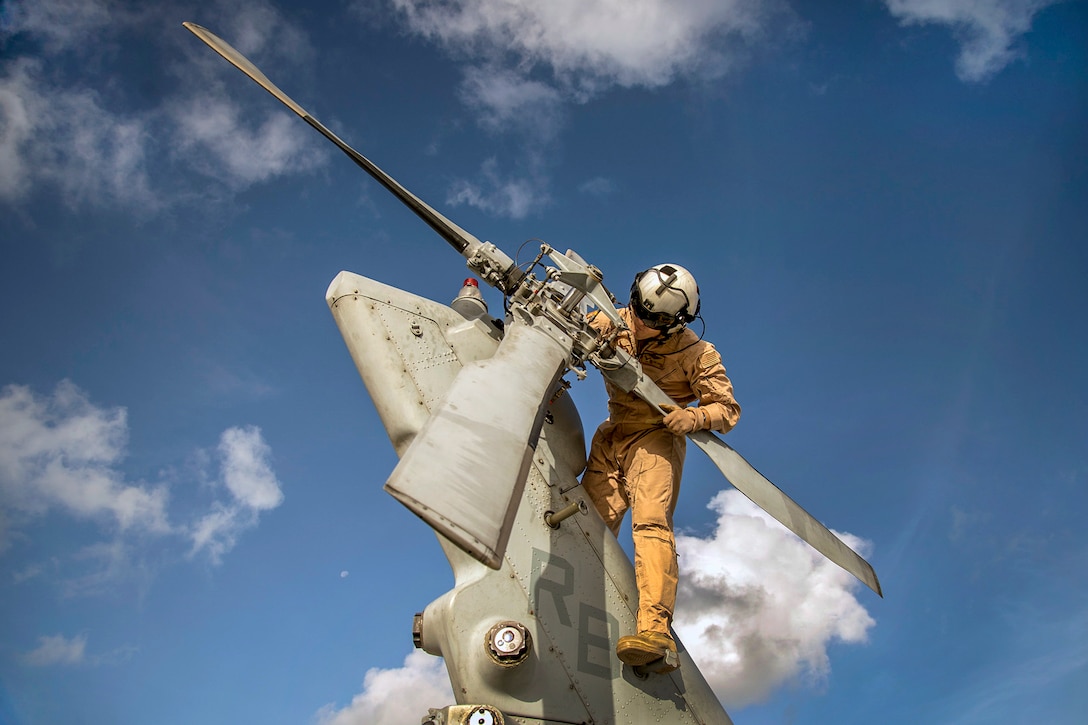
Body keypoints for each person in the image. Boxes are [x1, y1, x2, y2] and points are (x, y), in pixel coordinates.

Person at [581, 263, 741, 670]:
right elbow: (570, 336)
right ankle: (572, 598)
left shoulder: (697, 354)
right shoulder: (615, 321)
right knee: (584, 525)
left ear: (675, 322)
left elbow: (726, 409)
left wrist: (695, 418)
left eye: (652, 319)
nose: (638, 321)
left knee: (650, 524)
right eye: (638, 308)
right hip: (612, 435)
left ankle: (655, 632)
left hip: (654, 440)